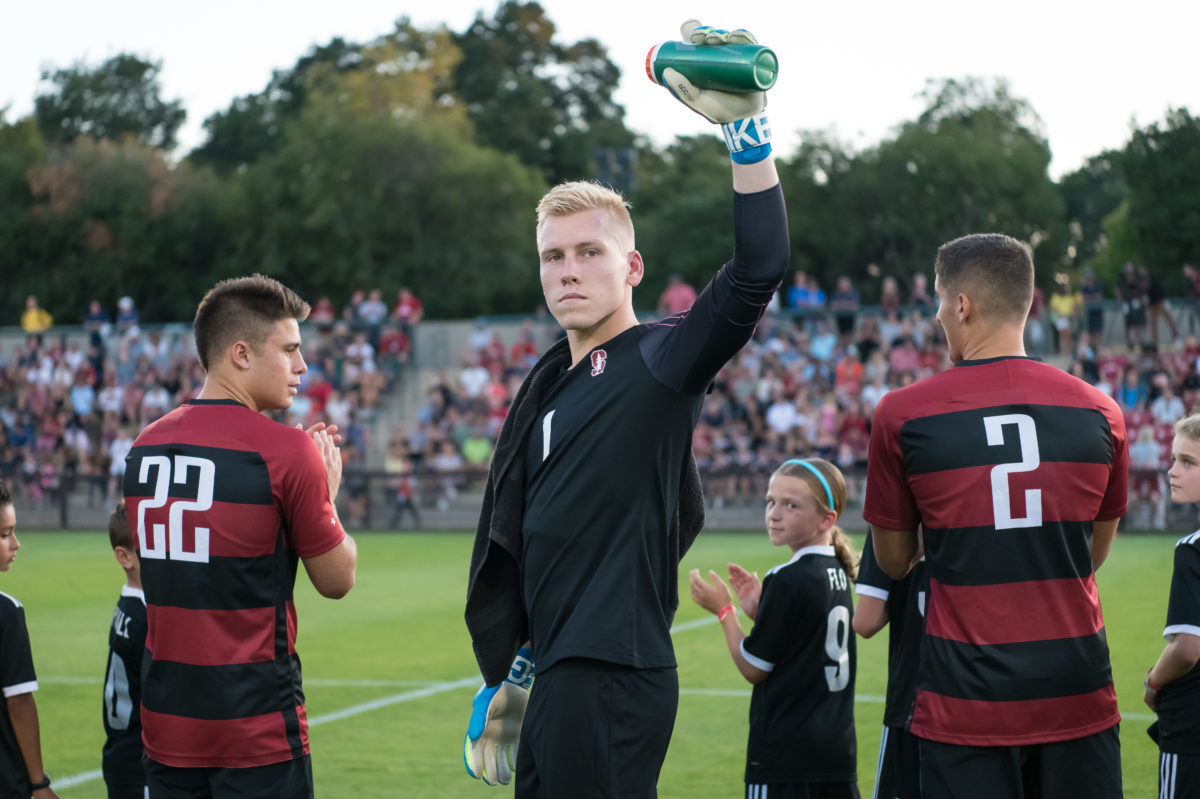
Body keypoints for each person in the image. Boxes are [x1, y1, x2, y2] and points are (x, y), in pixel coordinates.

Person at [463, 19, 788, 797]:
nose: (568, 270)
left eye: (588, 252)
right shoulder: (547, 388)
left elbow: (758, 269)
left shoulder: (659, 357)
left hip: (611, 676)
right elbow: (548, 543)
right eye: (553, 255)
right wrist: (517, 664)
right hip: (561, 675)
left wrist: (747, 133)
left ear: (631, 265)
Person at [864, 233, 1128, 798]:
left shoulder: (903, 413)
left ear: (962, 305)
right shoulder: (1103, 411)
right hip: (1076, 685)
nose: (938, 317)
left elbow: (891, 560)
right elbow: (1091, 553)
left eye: (939, 301)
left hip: (965, 699)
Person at [123, 274, 357, 799]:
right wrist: (327, 497)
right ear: (241, 354)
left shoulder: (143, 447)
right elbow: (338, 580)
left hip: (165, 727)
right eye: (291, 350)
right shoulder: (284, 452)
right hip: (257, 731)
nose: (303, 367)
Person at [689, 458, 859, 798]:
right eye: (771, 501)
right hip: (835, 752)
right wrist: (760, 614)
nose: (774, 513)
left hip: (786, 756)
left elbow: (754, 667)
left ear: (827, 519)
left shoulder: (786, 578)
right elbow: (804, 639)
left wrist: (725, 610)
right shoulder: (837, 573)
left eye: (791, 505)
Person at [1145, 413, 1200, 798]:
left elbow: (1187, 648)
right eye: (1173, 459)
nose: (1172, 472)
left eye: (1188, 462)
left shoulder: (1192, 550)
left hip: (1190, 726)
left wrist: (1153, 682)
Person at [852, 531, 927, 799]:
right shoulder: (975, 512)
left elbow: (865, 621)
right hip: (983, 695)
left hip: (914, 703)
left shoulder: (890, 523)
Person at [0, 479, 61, 799]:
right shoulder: (7, 613)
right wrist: (39, 783)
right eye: (4, 534)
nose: (16, 543)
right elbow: (20, 703)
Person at [101, 500, 147, 799]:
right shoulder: (145, 617)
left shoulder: (130, 608)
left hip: (123, 755)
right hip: (138, 764)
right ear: (124, 557)